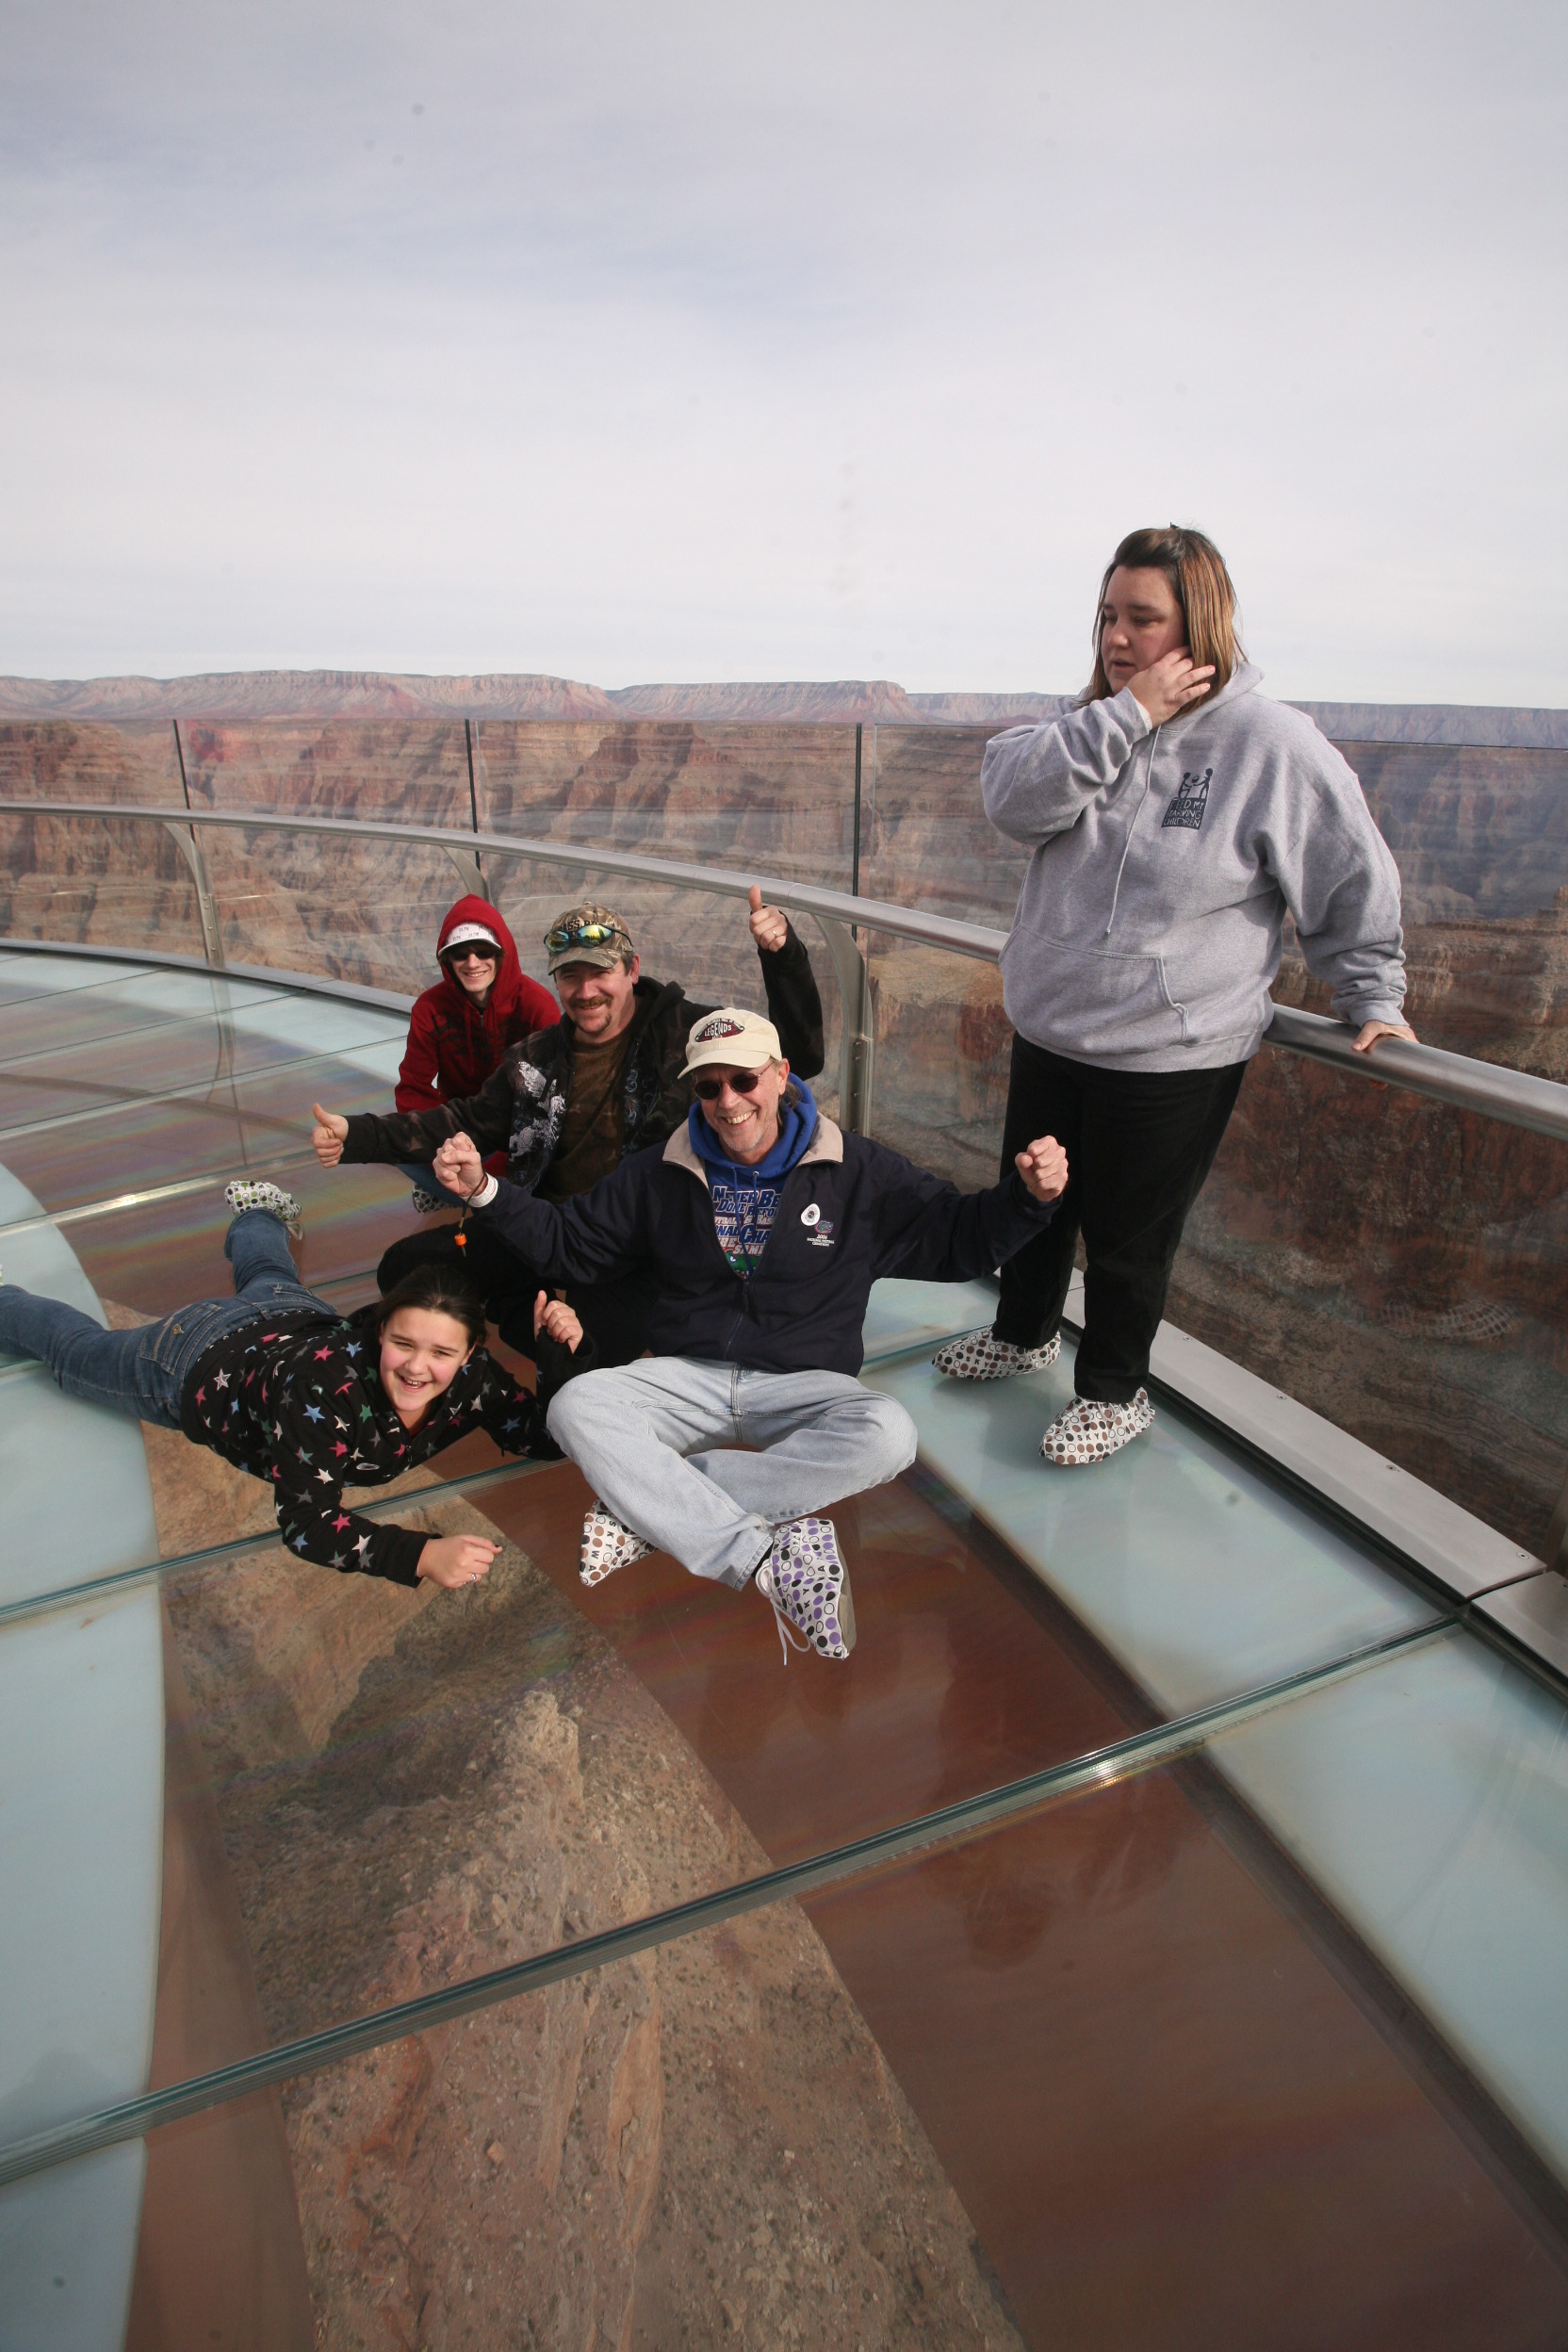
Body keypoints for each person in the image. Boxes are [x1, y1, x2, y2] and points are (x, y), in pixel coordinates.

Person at [934, 523, 1414, 1465]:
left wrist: (1372, 992)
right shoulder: (1087, 725)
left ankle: (1113, 1394)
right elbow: (1011, 803)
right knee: (1030, 1203)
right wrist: (1126, 715)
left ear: (1198, 624)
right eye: (1108, 615)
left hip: (1169, 1051)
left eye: (1142, 618)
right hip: (1052, 1029)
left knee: (1127, 1240)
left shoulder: (1268, 744)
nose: (1117, 637)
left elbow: (1345, 868)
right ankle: (1022, 1333)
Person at [427, 1007, 1070, 1663]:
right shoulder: (659, 1172)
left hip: (804, 1384)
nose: (729, 1102)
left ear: (781, 1075)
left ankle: (652, 1510)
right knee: (574, 1406)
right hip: (688, 1377)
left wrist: (1028, 1198)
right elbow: (571, 1245)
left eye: (744, 1080)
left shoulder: (857, 1172)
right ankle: (763, 1556)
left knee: (889, 1435)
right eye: (709, 1087)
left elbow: (957, 1240)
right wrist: (484, 1190)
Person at [310, 890, 825, 1364]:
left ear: (632, 969)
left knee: (579, 1350)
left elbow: (795, 1058)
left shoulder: (684, 1036)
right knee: (404, 1268)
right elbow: (462, 1120)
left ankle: (552, 1329)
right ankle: (521, 1309)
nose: (585, 991)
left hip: (636, 1247)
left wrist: (783, 959)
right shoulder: (535, 1060)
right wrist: (354, 1135)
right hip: (542, 1228)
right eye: (570, 976)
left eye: (600, 972)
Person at [0, 1179, 585, 1590]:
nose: (416, 1368)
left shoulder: (473, 1382)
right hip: (194, 1357)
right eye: (403, 1344)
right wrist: (422, 1554)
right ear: (380, 1331)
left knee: (268, 1273)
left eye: (441, 1353)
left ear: (470, 1353)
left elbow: (545, 1435)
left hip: (291, 1318)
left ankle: (258, 1210)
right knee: (75, 1353)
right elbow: (306, 1523)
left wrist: (554, 1354)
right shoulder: (325, 1391)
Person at [395, 894, 559, 1211]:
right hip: (461, 1134)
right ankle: (478, 1194)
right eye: (460, 953)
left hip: (517, 1137)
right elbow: (412, 1088)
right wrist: (448, 1146)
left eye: (483, 952)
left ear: (501, 954)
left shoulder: (536, 1006)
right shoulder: (430, 1009)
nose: (472, 963)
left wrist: (495, 1169)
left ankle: (479, 1195)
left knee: (540, 1157)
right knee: (398, 1144)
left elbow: (550, 1099)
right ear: (447, 960)